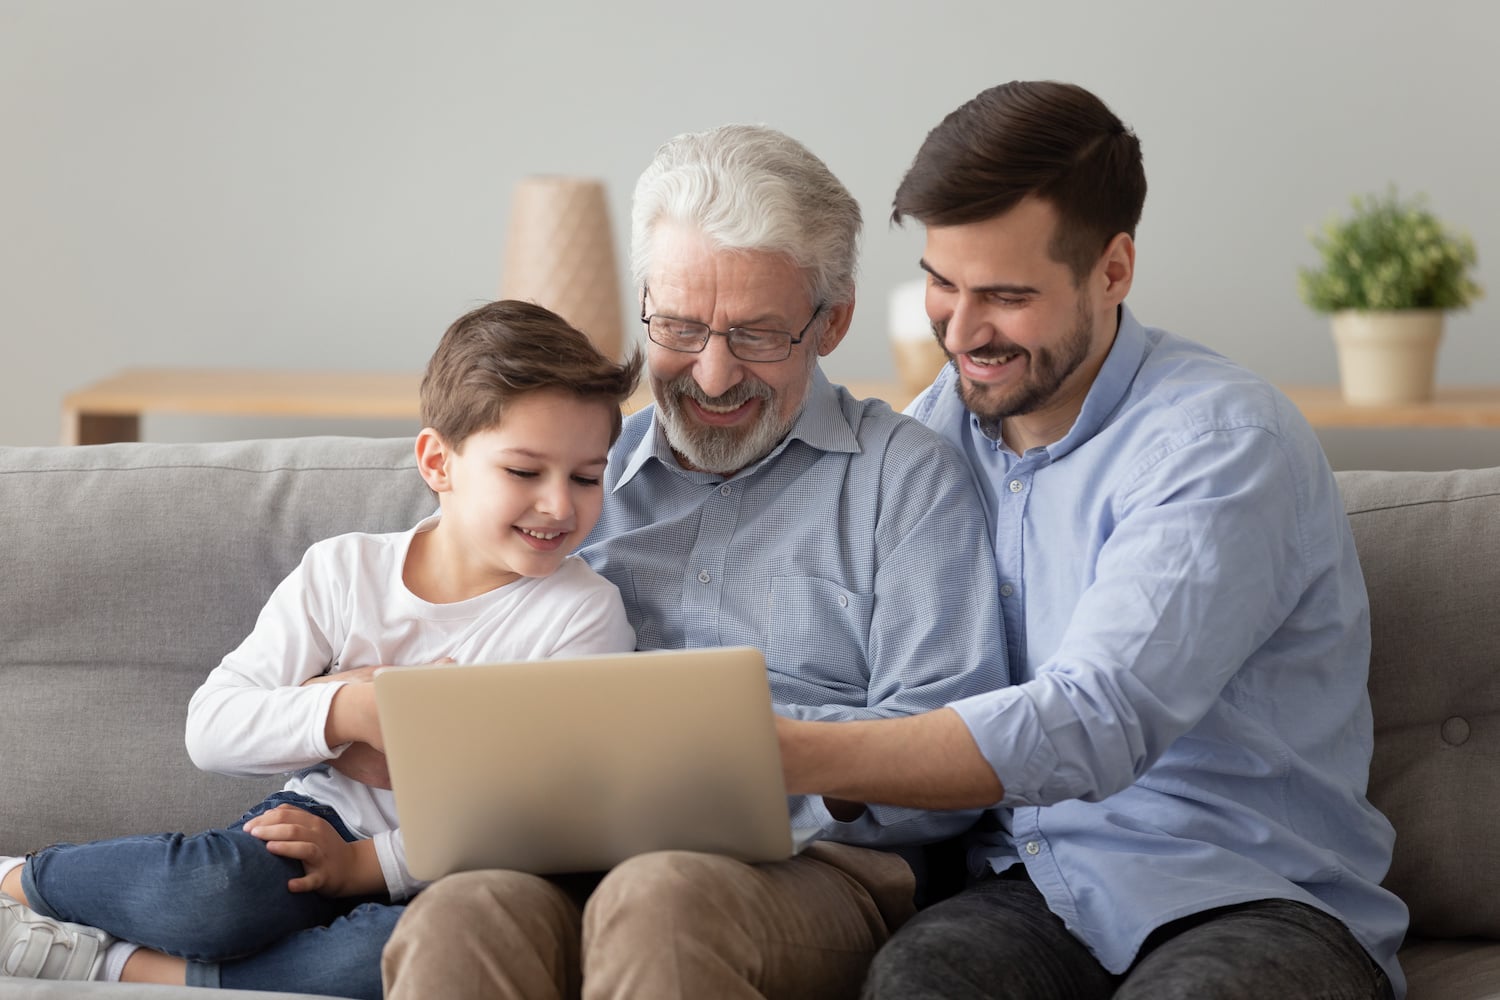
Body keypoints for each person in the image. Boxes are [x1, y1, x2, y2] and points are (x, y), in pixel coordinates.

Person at [775, 80, 1411, 999]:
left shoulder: (1222, 443)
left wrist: (793, 750)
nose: (961, 328)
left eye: (1005, 294)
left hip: (1252, 894)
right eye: (941, 283)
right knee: (921, 981)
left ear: (1113, 271)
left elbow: (1096, 717)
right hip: (1030, 887)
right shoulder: (929, 441)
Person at [380, 124, 1009, 999]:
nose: (712, 378)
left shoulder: (906, 480)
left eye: (756, 336)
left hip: (816, 874)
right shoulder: (570, 489)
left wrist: (768, 760)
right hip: (561, 853)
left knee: (661, 894)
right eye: (678, 327)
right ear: (643, 301)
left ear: (833, 321)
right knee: (457, 914)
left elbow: (957, 766)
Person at [0, 300, 641, 996]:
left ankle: (130, 967)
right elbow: (212, 729)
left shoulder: (584, 614)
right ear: (438, 462)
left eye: (585, 477)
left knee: (394, 957)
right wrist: (351, 712)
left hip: (451, 876)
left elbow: (544, 809)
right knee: (215, 892)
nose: (559, 505)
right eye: (524, 472)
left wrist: (369, 867)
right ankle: (18, 879)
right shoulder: (346, 570)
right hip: (317, 821)